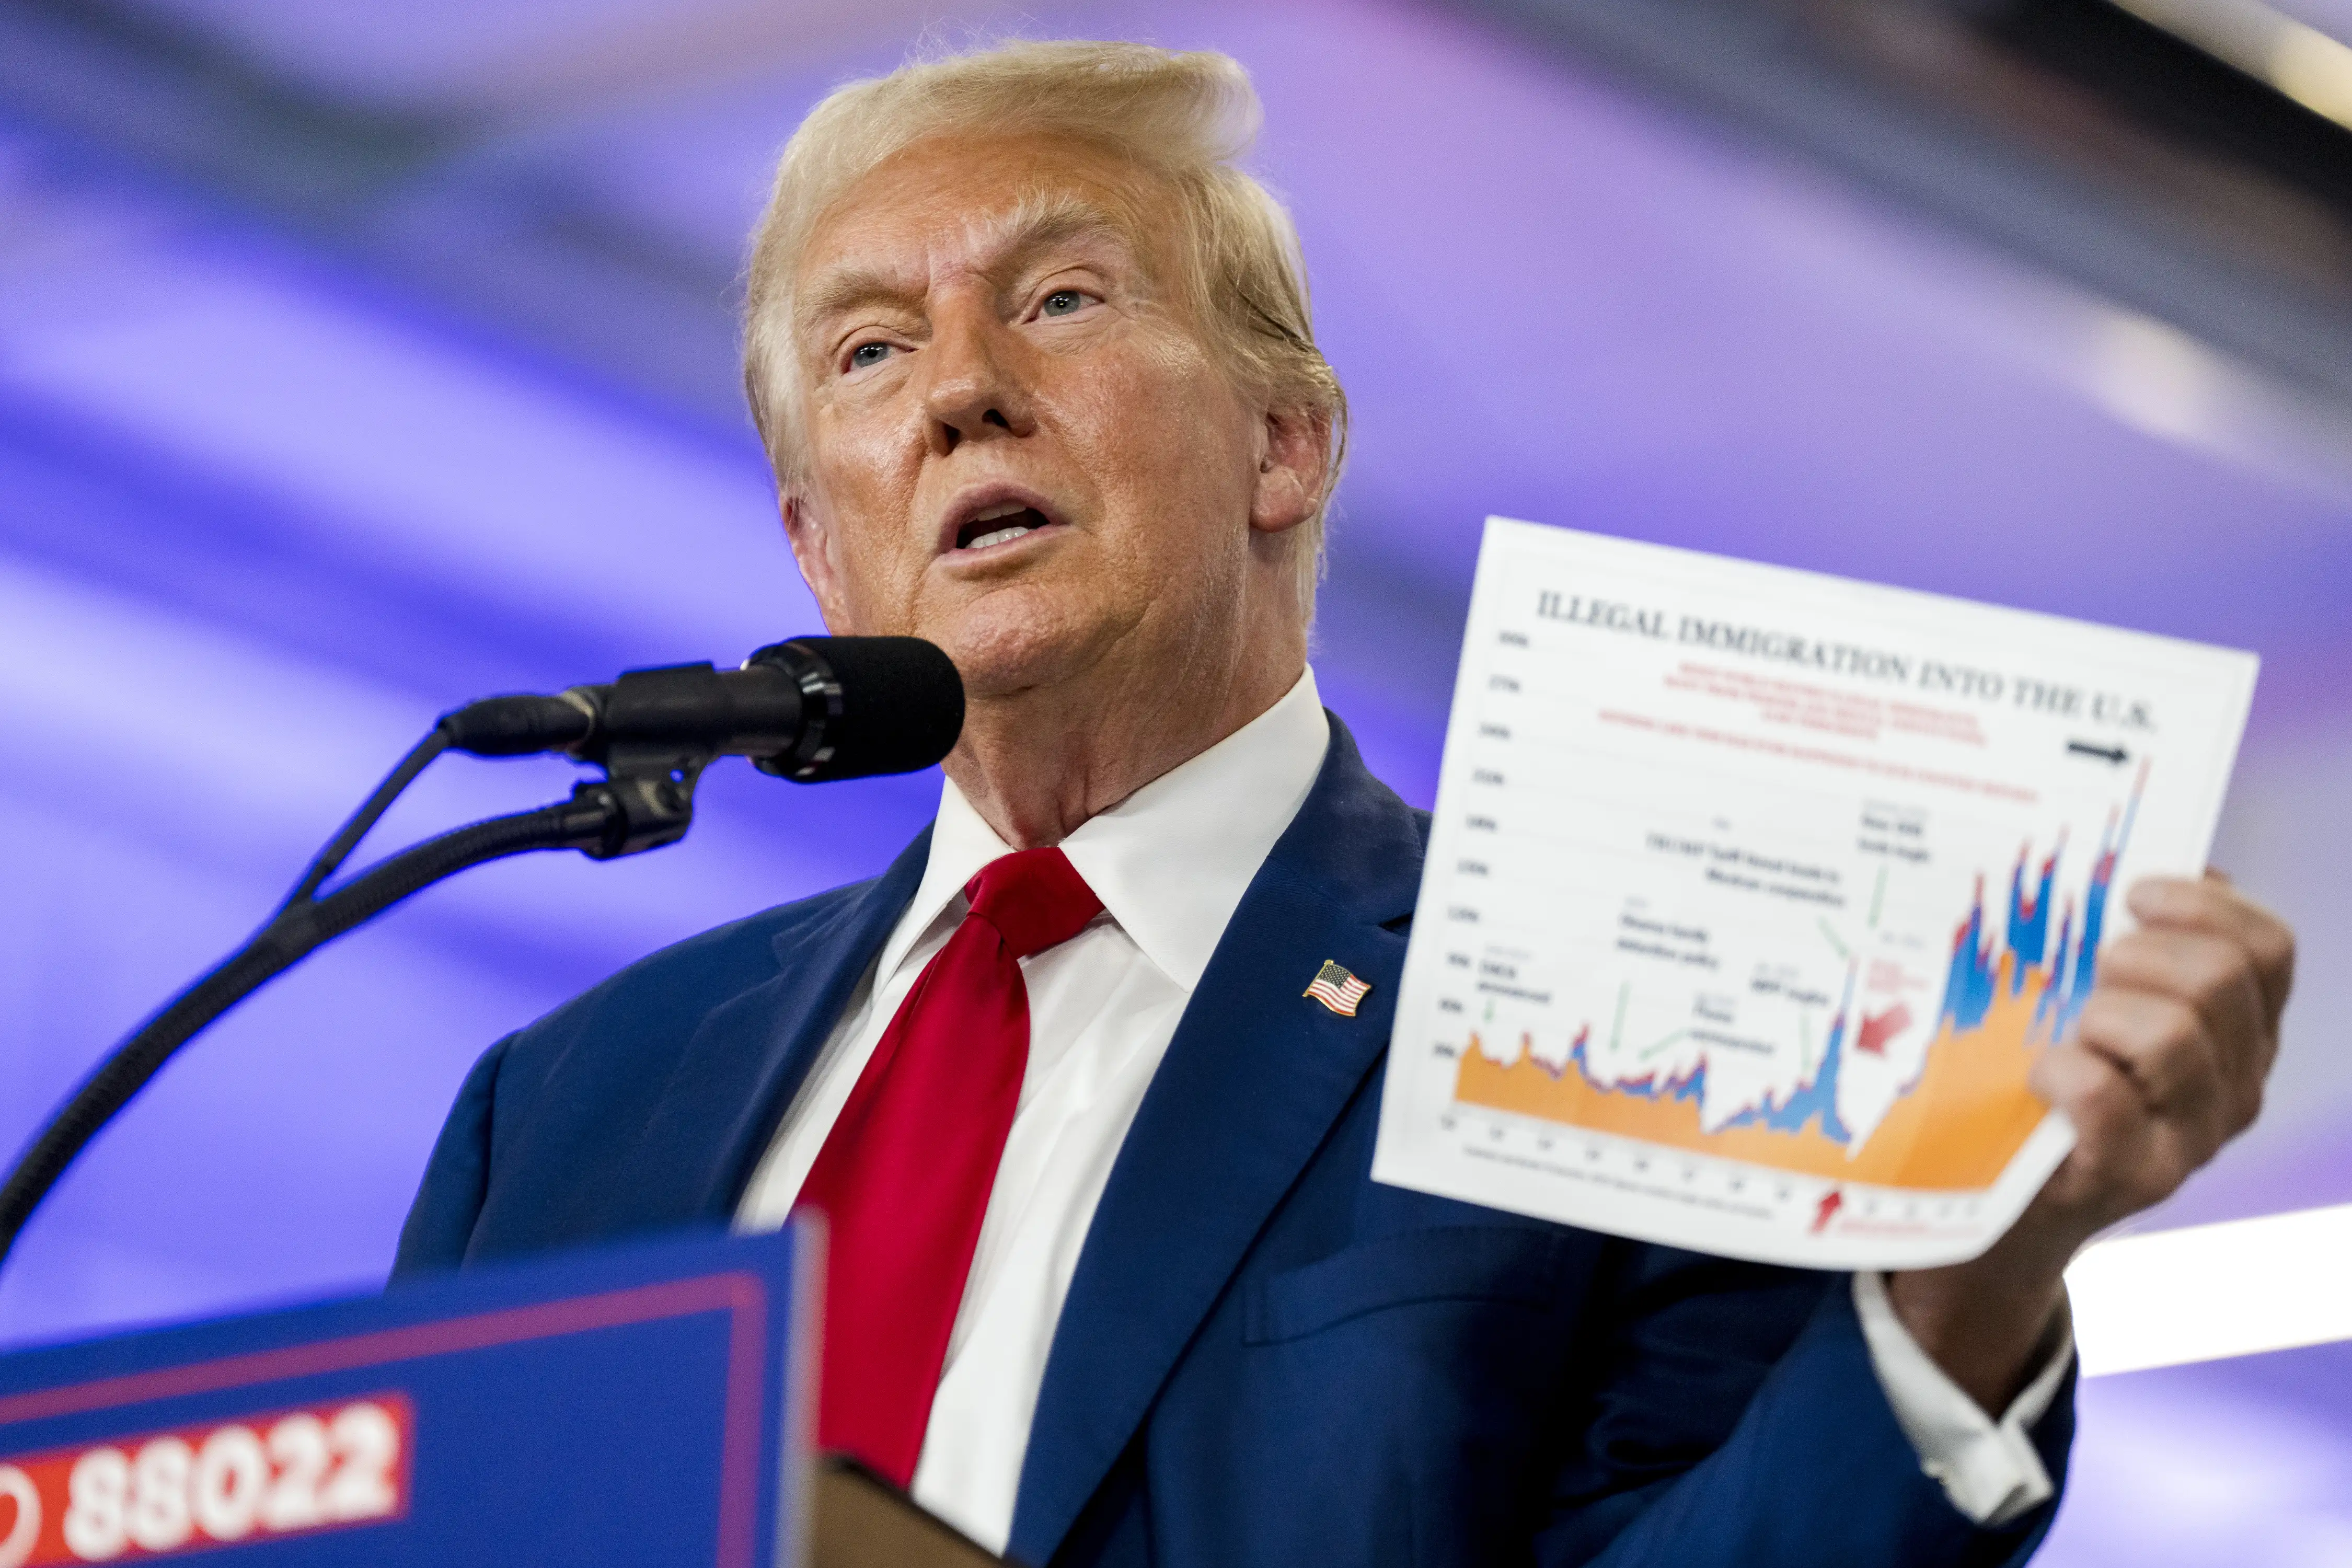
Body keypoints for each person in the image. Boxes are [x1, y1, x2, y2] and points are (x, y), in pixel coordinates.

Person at [393, 40, 2296, 1568]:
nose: (960, 391)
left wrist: (1960, 1294)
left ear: (1283, 443)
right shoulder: (560, 1114)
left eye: (1058, 298)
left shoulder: (1611, 989)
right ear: (818, 543)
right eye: (869, 348)